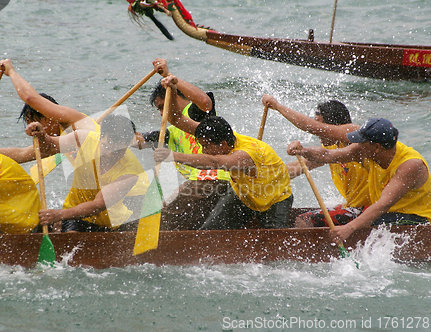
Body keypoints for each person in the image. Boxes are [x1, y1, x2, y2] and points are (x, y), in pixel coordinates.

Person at [154, 75, 293, 229]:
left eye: (206, 147)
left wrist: (173, 156)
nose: (204, 150)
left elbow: (214, 162)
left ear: (223, 144)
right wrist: (173, 90)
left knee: (276, 242)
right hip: (244, 195)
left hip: (274, 199)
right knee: (209, 232)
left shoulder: (244, 155)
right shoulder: (215, 135)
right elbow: (176, 119)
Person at [288, 117, 431, 243]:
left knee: (365, 222)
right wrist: (303, 150)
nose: (357, 145)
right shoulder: (366, 150)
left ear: (376, 147)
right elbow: (327, 155)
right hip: (383, 214)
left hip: (414, 219)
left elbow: (383, 204)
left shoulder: (410, 165)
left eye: (362, 142)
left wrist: (348, 228)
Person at [134, 58, 231, 230]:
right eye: (159, 109)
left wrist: (171, 78)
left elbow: (205, 102)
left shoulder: (195, 114)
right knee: (161, 210)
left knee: (160, 218)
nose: (162, 113)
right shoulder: (169, 131)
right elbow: (139, 141)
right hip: (201, 188)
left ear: (175, 95)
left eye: (162, 106)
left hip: (216, 181)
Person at [261, 95, 370, 228]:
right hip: (353, 207)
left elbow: (311, 127)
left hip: (370, 210)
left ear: (333, 124)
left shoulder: (356, 136)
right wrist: (263, 177)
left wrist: (278, 106)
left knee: (304, 220)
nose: (317, 132)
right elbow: (301, 166)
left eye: (320, 123)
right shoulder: (331, 148)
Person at [27, 114, 148, 232]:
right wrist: (42, 135)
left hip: (111, 225)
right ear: (100, 137)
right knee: (70, 239)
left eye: (117, 151)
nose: (110, 155)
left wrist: (59, 214)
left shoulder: (131, 172)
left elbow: (98, 204)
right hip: (75, 215)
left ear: (127, 146)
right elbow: (49, 145)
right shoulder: (84, 139)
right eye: (106, 147)